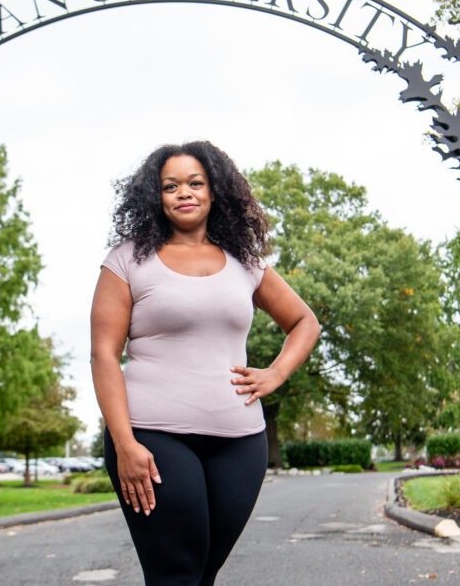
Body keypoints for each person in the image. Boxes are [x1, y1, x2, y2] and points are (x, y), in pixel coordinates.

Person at [90, 140, 320, 585]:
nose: (184, 193)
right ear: (155, 196)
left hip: (240, 441)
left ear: (215, 191)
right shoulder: (127, 260)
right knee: (176, 573)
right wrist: (125, 444)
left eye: (195, 183)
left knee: (203, 573)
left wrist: (275, 373)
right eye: (170, 185)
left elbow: (304, 322)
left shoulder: (245, 263)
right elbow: (103, 355)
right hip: (152, 439)